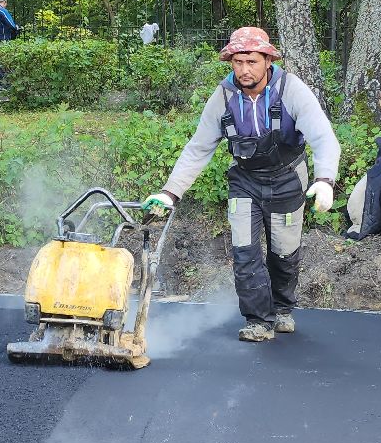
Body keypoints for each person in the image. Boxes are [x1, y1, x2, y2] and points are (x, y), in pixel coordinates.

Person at [142, 26, 340, 342]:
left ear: (267, 60)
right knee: (245, 251)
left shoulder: (292, 91)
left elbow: (323, 137)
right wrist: (170, 193)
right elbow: (198, 148)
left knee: (284, 254)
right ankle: (258, 321)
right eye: (238, 62)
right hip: (245, 181)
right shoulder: (223, 97)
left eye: (251, 61)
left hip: (288, 179)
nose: (244, 70)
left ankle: (282, 309)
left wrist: (325, 179)